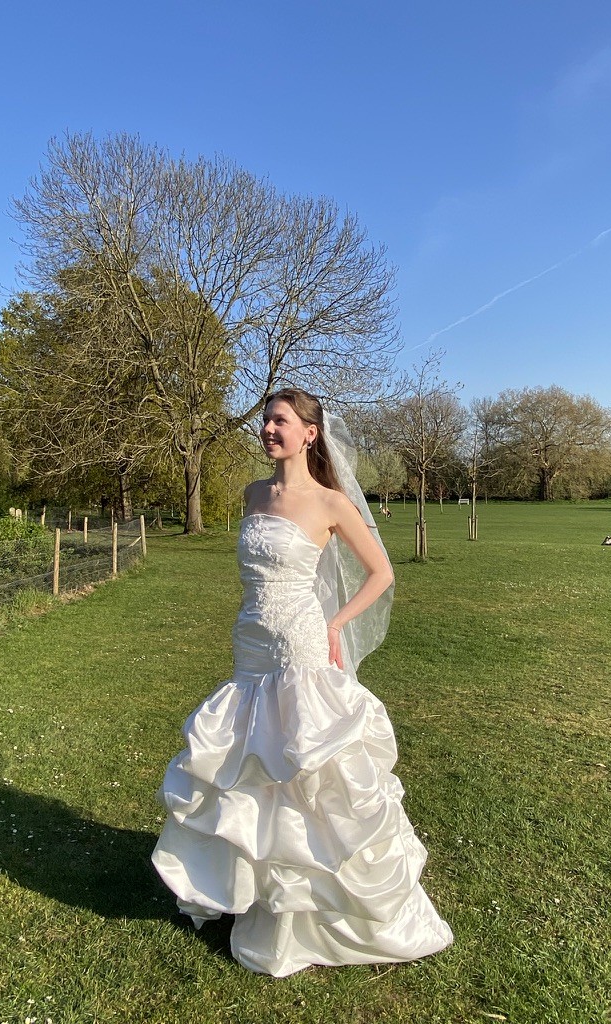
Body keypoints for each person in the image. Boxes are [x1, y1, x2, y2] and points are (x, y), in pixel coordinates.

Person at [152, 388, 453, 976]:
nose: (267, 429)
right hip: (250, 640)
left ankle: (316, 904)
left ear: (310, 433)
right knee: (249, 757)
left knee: (304, 761)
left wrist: (336, 622)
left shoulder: (332, 503)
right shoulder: (253, 494)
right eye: (265, 419)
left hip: (300, 642)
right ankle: (258, 887)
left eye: (280, 421)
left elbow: (382, 573)